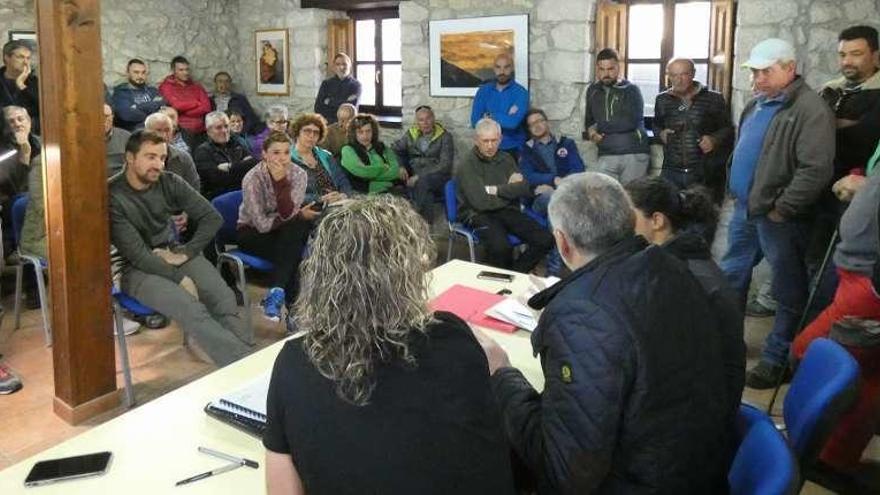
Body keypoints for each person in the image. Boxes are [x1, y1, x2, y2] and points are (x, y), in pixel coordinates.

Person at [475, 172, 730, 494]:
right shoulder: (671, 266)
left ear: (562, 242)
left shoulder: (582, 317)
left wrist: (501, 373)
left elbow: (566, 472)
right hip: (692, 464)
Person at [263, 195, 516, 495]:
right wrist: (503, 368)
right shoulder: (453, 338)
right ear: (410, 272)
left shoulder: (295, 361)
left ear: (319, 273)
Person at [720, 38, 835, 389]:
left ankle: (776, 358)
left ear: (789, 67)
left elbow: (815, 169)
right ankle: (727, 347)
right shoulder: (756, 105)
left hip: (777, 218)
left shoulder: (810, 109)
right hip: (744, 211)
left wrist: (783, 209)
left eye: (765, 71)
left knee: (788, 290)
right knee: (730, 280)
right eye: (754, 72)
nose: (757, 79)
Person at [109, 130, 252, 366]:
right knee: (189, 306)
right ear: (130, 158)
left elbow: (211, 217)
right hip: (131, 269)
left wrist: (185, 252)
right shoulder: (112, 194)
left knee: (222, 296)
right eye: (150, 157)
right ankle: (243, 363)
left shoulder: (168, 181)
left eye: (162, 157)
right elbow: (137, 255)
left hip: (171, 251)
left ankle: (239, 354)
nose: (158, 164)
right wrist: (179, 278)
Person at [625, 176, 745, 423]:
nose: (622, 224)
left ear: (657, 221)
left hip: (699, 417)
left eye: (629, 215)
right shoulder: (682, 258)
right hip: (700, 400)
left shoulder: (679, 277)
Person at [455, 118, 552, 272]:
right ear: (476, 140)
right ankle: (507, 280)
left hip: (507, 210)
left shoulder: (506, 159)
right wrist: (509, 190)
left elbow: (524, 188)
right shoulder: (468, 164)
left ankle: (514, 274)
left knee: (545, 239)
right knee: (501, 248)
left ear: (500, 139)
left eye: (494, 140)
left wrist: (495, 190)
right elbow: (481, 202)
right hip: (478, 214)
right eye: (485, 141)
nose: (490, 146)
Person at [238, 131, 314, 323]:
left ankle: (276, 293)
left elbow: (288, 214)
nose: (282, 158)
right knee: (295, 253)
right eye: (276, 152)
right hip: (251, 232)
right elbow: (262, 225)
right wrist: (282, 186)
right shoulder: (252, 178)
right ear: (265, 154)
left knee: (296, 228)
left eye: (286, 152)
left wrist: (282, 184)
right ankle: (294, 316)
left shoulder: (299, 174)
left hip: (284, 233)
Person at [653, 58, 733, 194]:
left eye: (683, 74)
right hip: (671, 171)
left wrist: (714, 140)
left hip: (703, 172)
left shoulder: (714, 98)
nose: (679, 80)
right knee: (669, 212)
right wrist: (661, 134)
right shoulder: (662, 100)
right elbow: (656, 125)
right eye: (673, 75)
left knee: (702, 213)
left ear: (693, 73)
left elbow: (728, 129)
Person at [584, 48, 650, 184]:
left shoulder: (632, 90)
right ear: (597, 69)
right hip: (606, 152)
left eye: (610, 69)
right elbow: (589, 119)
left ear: (618, 67)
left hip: (633, 152)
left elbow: (628, 123)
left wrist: (599, 128)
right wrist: (591, 132)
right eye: (602, 69)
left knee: (633, 199)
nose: (606, 74)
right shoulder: (592, 90)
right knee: (607, 200)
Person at [392, 105, 454, 221]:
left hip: (437, 176)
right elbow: (395, 149)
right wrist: (400, 166)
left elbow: (445, 164)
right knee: (391, 179)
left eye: (428, 118)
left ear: (434, 118)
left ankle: (420, 222)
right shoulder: (411, 134)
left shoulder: (445, 137)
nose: (425, 123)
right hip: (413, 174)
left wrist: (419, 176)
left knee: (423, 183)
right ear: (417, 122)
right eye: (421, 120)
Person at [519, 108, 585, 215]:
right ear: (529, 129)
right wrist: (552, 180)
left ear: (547, 122)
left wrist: (561, 186)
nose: (536, 126)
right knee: (550, 198)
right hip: (542, 196)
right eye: (532, 124)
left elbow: (578, 169)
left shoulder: (566, 143)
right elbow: (528, 176)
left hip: (567, 191)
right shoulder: (526, 149)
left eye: (539, 121)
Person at [470, 53, 529, 154]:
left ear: (512, 68)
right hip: (486, 146)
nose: (502, 71)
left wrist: (489, 115)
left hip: (513, 147)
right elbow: (475, 122)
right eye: (498, 67)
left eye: (506, 67)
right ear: (494, 68)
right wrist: (505, 116)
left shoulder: (521, 92)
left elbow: (513, 123)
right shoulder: (484, 90)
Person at [289, 113, 351, 207]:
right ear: (297, 132)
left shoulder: (325, 155)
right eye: (307, 131)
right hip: (310, 208)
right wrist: (320, 199)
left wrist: (344, 195)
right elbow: (290, 195)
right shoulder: (287, 159)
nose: (311, 136)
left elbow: (342, 180)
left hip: (338, 203)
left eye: (316, 132)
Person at [193, 111, 257, 199]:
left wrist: (229, 167)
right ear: (208, 131)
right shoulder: (202, 151)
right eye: (219, 128)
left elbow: (254, 165)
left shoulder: (237, 142)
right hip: (219, 196)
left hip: (244, 189)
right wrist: (242, 166)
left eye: (226, 126)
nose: (224, 130)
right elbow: (218, 180)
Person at [340, 114, 404, 195]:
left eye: (368, 131)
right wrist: (383, 168)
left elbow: (395, 170)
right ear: (354, 134)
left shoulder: (382, 147)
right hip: (363, 193)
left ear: (373, 132)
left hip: (390, 189)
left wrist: (373, 177)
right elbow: (363, 172)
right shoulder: (347, 149)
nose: (365, 136)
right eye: (360, 132)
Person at [143, 112, 200, 191]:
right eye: (158, 130)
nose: (163, 135)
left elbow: (194, 190)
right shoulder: (137, 158)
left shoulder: (183, 158)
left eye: (167, 130)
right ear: (146, 132)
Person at [158, 56, 211, 140]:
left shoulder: (197, 86)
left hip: (202, 130)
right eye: (181, 70)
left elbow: (206, 107)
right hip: (181, 131)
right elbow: (176, 105)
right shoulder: (166, 86)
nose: (185, 73)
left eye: (187, 69)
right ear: (173, 71)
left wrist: (184, 112)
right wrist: (196, 103)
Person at [111, 58, 165, 131]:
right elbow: (127, 115)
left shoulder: (152, 91)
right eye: (136, 72)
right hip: (135, 134)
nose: (140, 76)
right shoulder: (121, 93)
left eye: (143, 73)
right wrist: (153, 107)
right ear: (128, 73)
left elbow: (163, 105)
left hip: (156, 131)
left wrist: (137, 107)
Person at [0, 40, 39, 135]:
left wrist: (21, 85)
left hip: (30, 135)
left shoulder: (35, 82)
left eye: (28, 58)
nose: (26, 62)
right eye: (21, 57)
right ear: (7, 57)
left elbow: (42, 110)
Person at [314, 52, 361, 124]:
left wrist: (329, 102)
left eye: (344, 64)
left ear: (350, 65)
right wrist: (344, 102)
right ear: (334, 67)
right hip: (327, 124)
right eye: (338, 64)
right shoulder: (326, 84)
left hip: (346, 126)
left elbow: (350, 110)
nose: (341, 67)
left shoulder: (356, 85)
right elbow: (318, 108)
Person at [104, 104, 132, 176]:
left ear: (112, 117)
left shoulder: (126, 137)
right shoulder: (83, 140)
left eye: (106, 116)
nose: (103, 120)